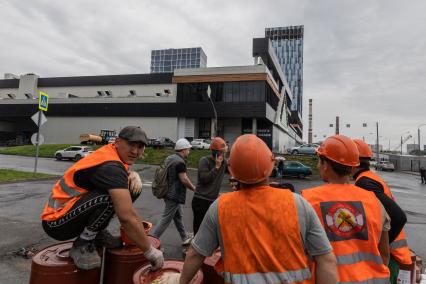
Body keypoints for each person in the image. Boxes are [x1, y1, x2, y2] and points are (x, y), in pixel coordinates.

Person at [160, 134, 338, 284]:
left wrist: (182, 281)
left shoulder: (221, 207)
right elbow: (326, 259)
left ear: (233, 171)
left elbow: (195, 255)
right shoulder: (299, 204)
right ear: (271, 165)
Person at [41, 126, 164, 270]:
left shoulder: (111, 153)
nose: (135, 151)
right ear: (117, 142)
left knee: (131, 187)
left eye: (140, 147)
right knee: (110, 199)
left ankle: (96, 233)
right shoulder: (110, 167)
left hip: (69, 213)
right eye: (131, 144)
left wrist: (131, 174)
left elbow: (114, 175)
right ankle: (83, 243)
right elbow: (126, 215)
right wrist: (149, 251)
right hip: (56, 223)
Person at [302, 135, 391, 283]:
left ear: (325, 165)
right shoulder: (374, 201)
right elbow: (384, 254)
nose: (318, 166)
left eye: (319, 161)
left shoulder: (308, 200)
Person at [353, 139, 411, 284]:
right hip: (391, 255)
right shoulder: (369, 178)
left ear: (354, 161)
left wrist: (380, 247)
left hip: (389, 257)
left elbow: (398, 217)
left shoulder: (364, 183)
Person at [151, 138, 196, 245]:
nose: (189, 151)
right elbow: (184, 179)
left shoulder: (170, 158)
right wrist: (194, 188)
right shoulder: (180, 162)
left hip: (167, 191)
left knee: (178, 216)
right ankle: (151, 241)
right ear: (183, 150)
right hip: (174, 194)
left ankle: (184, 237)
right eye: (188, 149)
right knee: (166, 219)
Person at [191, 137, 227, 235]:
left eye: (224, 152)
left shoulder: (224, 162)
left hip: (212, 201)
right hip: (200, 200)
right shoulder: (204, 161)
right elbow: (204, 179)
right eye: (221, 152)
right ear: (214, 152)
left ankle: (207, 249)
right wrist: (216, 167)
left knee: (211, 229)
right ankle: (195, 248)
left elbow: (234, 170)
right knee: (198, 229)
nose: (223, 154)